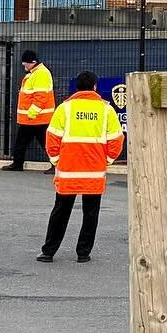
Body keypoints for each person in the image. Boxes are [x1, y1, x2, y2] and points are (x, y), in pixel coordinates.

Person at [39, 70, 124, 263]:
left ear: (77, 87)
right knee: (91, 213)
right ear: (95, 87)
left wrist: (56, 160)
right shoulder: (106, 109)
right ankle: (83, 253)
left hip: (68, 171)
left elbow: (52, 137)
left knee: (60, 211)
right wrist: (107, 160)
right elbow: (116, 140)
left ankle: (48, 252)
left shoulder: (65, 108)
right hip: (94, 172)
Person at [4, 50, 55, 171]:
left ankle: (18, 164)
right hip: (33, 118)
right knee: (25, 142)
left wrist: (32, 113)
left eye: (25, 63)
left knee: (43, 143)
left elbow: (41, 97)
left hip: (37, 118)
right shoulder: (34, 73)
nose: (24, 65)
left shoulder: (40, 74)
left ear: (32, 62)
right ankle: (17, 163)